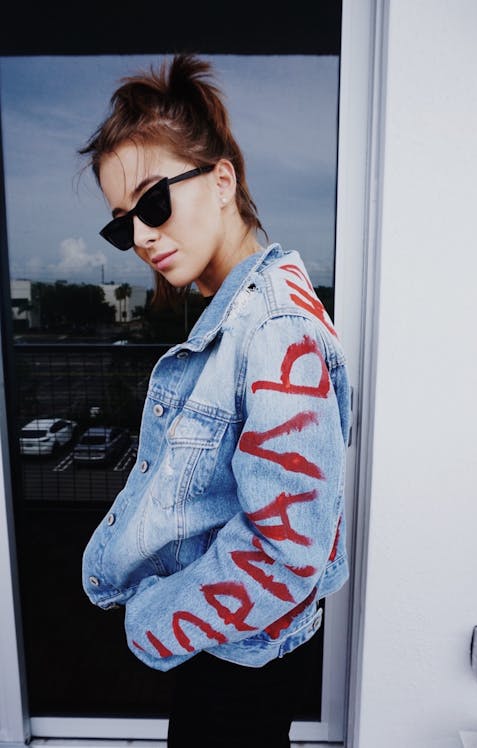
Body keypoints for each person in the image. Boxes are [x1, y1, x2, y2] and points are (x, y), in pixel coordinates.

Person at [79, 53, 351, 748]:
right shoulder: (253, 310)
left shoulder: (273, 328)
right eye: (122, 223)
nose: (139, 236)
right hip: (237, 642)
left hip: (238, 663)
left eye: (153, 202)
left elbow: (289, 551)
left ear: (222, 179)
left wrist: (153, 621)